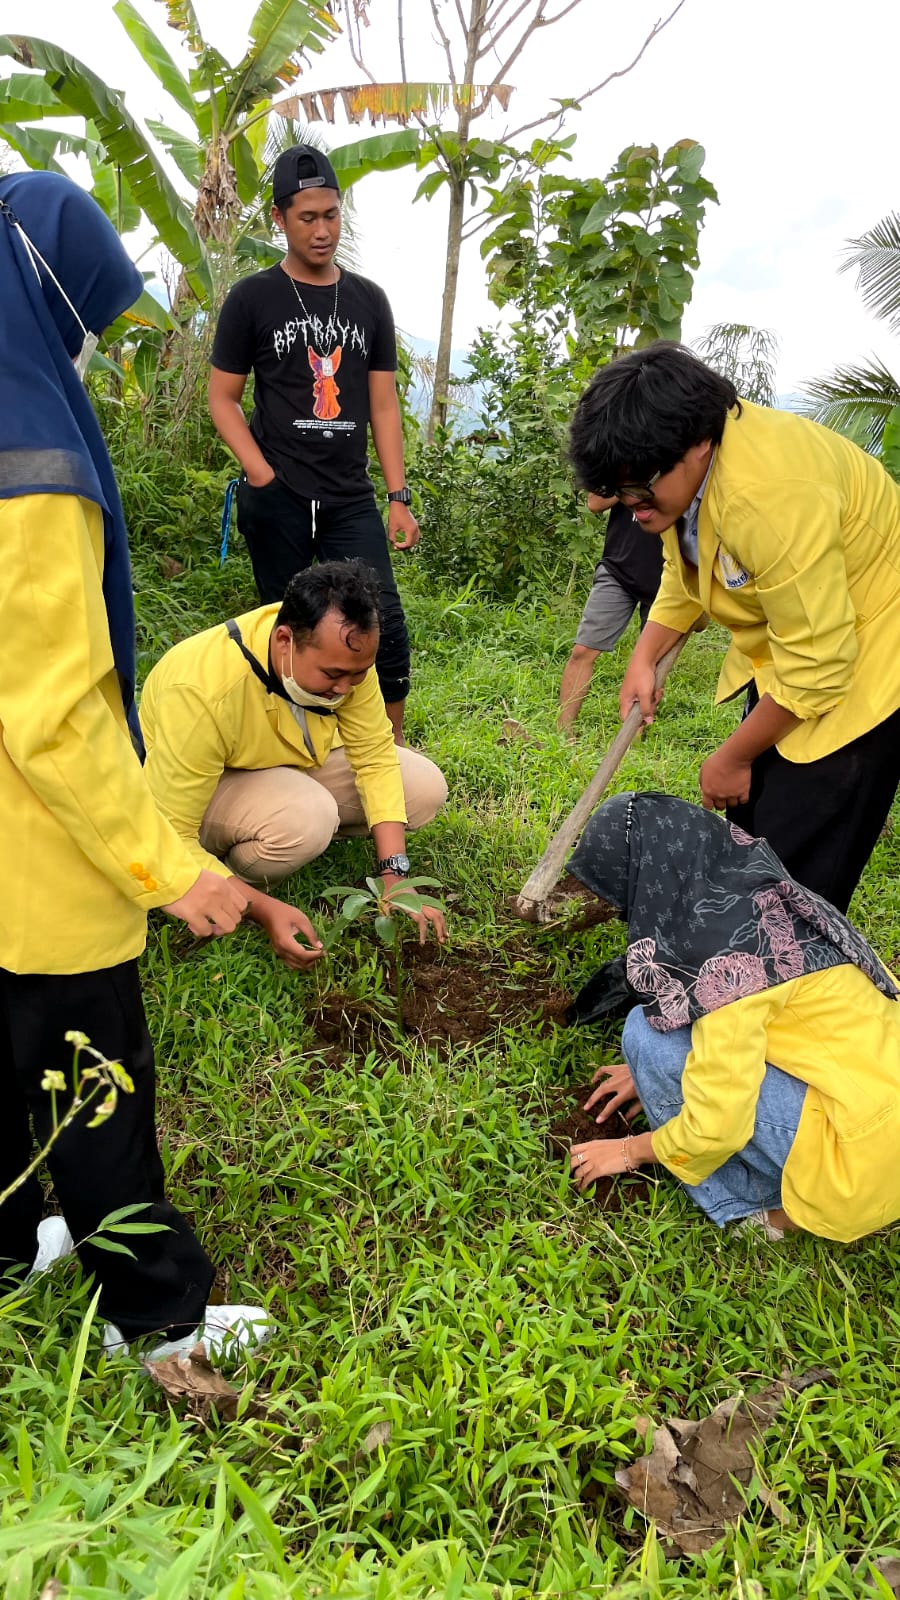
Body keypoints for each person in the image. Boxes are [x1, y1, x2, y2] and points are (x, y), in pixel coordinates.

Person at [0, 169, 269, 1360]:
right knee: (95, 1076)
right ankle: (159, 1318)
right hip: (40, 855)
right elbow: (56, 719)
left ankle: (11, 1247)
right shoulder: (32, 465)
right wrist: (170, 867)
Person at [568, 341, 900, 912]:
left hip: (869, 661)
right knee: (752, 835)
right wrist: (643, 655)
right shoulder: (694, 465)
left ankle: (791, 960)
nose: (630, 505)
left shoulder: (769, 496)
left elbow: (819, 665)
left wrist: (732, 757)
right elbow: (686, 568)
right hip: (793, 651)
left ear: (697, 443)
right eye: (617, 491)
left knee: (797, 874)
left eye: (640, 487)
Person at [564, 792, 900, 1244]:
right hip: (877, 1097)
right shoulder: (760, 893)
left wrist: (630, 1151)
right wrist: (645, 1078)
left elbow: (718, 1126)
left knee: (649, 1038)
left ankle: (759, 1205)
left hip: (864, 1155)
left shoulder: (724, 965)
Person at [209, 143, 418, 743]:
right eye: (307, 218)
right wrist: (260, 474)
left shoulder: (368, 300)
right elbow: (223, 398)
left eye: (331, 215)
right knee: (288, 633)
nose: (322, 231)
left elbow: (383, 405)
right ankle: (292, 753)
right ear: (280, 218)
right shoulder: (253, 298)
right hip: (279, 495)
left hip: (349, 496)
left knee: (385, 624)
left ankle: (388, 758)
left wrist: (397, 496)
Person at [140, 561, 448, 966]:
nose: (345, 688)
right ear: (284, 641)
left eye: (357, 675)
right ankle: (232, 881)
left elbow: (375, 755)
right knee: (307, 818)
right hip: (212, 785)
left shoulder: (345, 652)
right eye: (333, 675)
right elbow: (168, 835)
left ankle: (291, 824)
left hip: (292, 760)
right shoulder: (201, 690)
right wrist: (265, 910)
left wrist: (395, 874)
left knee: (424, 787)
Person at [557, 493, 663, 736]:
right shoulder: (626, 467)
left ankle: (631, 742)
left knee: (650, 665)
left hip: (669, 578)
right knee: (583, 650)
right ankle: (563, 734)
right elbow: (595, 502)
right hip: (619, 568)